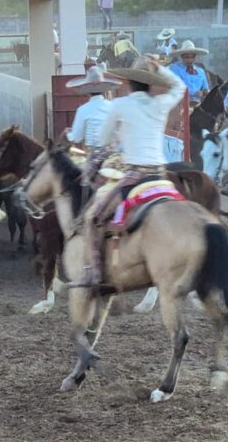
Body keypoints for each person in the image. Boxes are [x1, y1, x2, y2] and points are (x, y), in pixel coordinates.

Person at [75, 57, 186, 287]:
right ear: (150, 84)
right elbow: (180, 87)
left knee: (91, 217)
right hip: (161, 177)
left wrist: (118, 136)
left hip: (134, 177)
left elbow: (104, 138)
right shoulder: (160, 103)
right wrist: (160, 69)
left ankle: (94, 273)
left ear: (127, 82)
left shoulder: (120, 105)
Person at [63, 66, 122, 151]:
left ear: (87, 92)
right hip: (114, 153)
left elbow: (77, 138)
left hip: (94, 153)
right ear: (104, 90)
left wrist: (67, 134)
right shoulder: (113, 106)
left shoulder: (83, 109)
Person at [167, 40, 210, 106]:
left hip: (198, 105)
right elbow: (175, 86)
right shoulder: (175, 68)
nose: (190, 60)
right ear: (181, 56)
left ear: (195, 57)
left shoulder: (200, 71)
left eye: (192, 57)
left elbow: (205, 88)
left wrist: (205, 92)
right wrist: (194, 92)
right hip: (179, 104)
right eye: (187, 57)